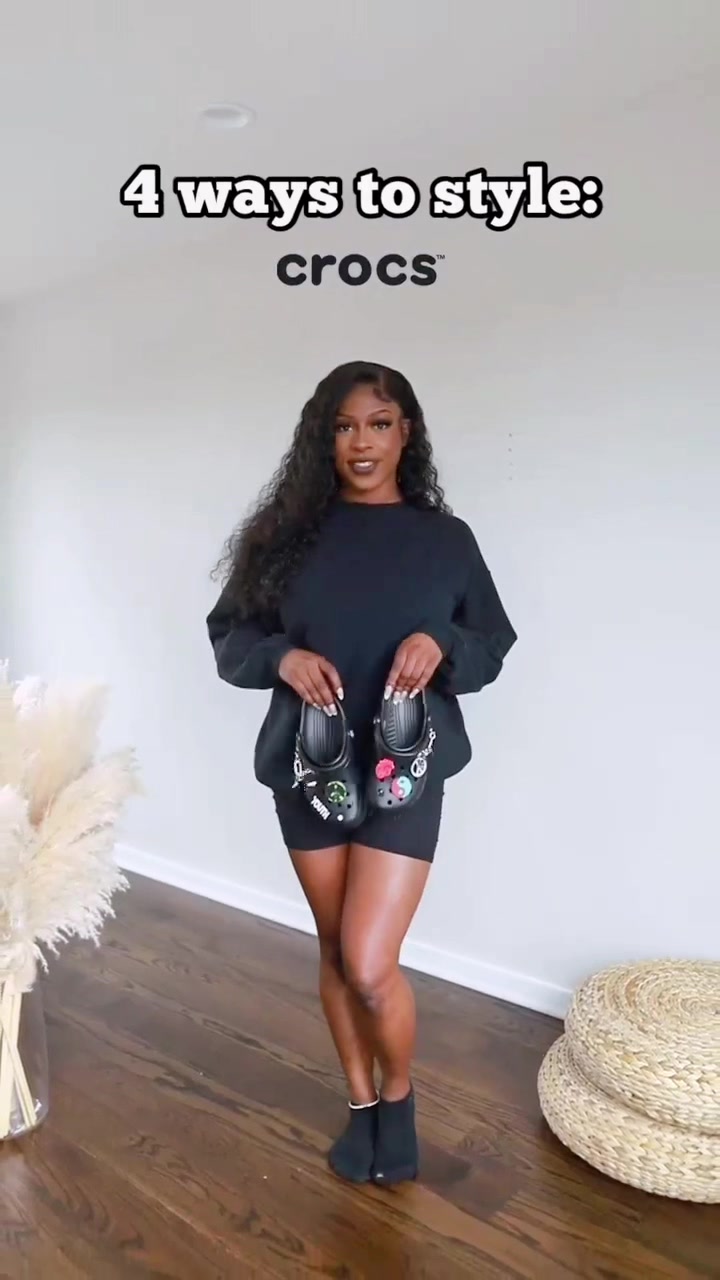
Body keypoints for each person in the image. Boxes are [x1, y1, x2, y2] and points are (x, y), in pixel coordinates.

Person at [206, 360, 517, 1187]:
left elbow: (491, 644)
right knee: (336, 951)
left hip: (407, 767)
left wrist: (442, 642)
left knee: (371, 961)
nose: (361, 442)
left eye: (379, 423)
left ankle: (400, 1097)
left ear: (406, 432)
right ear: (324, 438)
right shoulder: (283, 535)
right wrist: (282, 656)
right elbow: (231, 636)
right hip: (307, 763)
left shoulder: (446, 541)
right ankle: (361, 1102)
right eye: (344, 426)